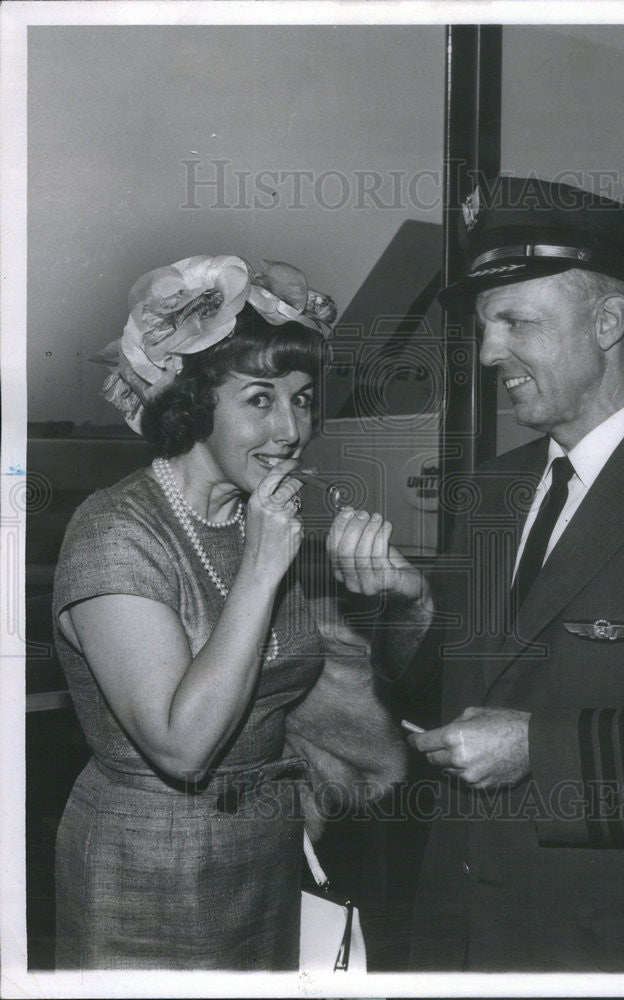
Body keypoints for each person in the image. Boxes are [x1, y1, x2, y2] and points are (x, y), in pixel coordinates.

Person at [327, 176, 624, 972]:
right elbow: (456, 685)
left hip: (617, 952)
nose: (489, 351)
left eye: (516, 322)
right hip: (457, 937)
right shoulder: (497, 488)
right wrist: (409, 607)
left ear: (608, 322)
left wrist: (543, 748)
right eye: (485, 326)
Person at [53, 253, 383, 969]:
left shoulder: (263, 517)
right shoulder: (115, 530)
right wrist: (264, 569)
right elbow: (182, 745)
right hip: (147, 871)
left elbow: (340, 688)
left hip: (267, 860)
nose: (292, 429)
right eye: (260, 399)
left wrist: (401, 597)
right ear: (193, 403)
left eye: (302, 398)